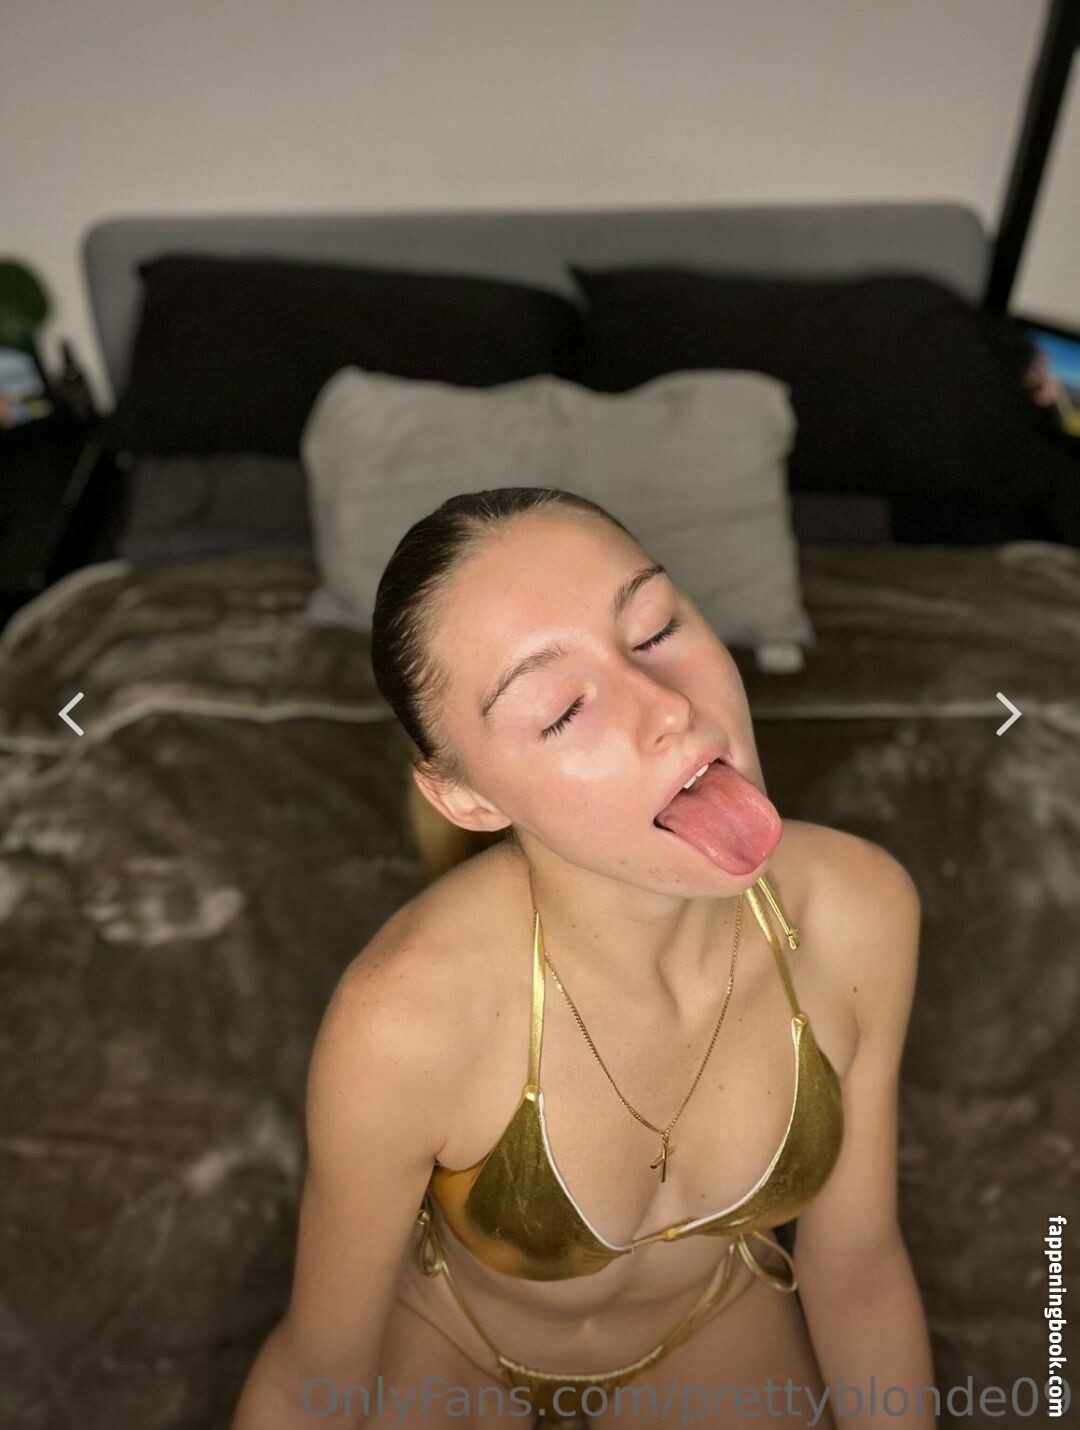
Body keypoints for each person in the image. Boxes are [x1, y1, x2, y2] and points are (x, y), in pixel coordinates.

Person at [231, 487, 937, 1428]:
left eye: (656, 630)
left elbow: (859, 1273)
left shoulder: (862, 912)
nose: (669, 708)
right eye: (563, 710)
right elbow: (313, 1374)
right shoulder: (402, 1019)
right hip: (449, 1347)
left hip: (707, 1325)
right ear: (468, 799)